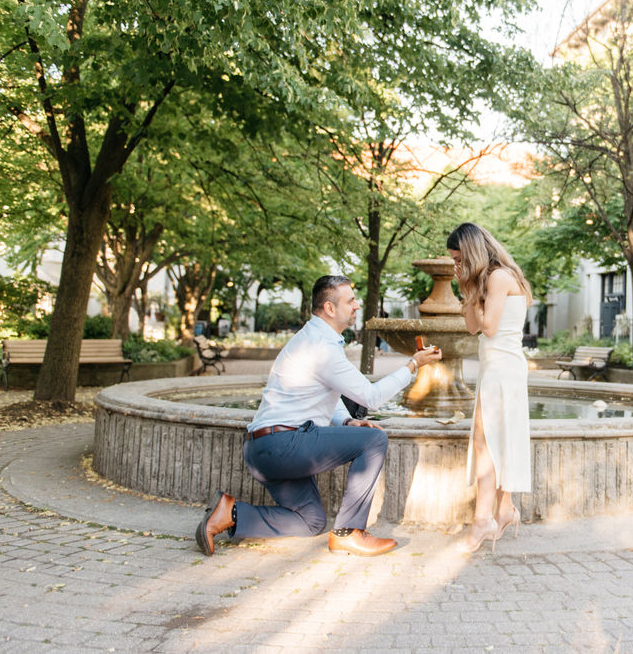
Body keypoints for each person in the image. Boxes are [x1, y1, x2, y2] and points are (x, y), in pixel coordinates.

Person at [196, 275, 442, 557]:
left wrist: (347, 421)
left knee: (310, 520)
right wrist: (413, 365)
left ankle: (230, 513)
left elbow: (327, 394)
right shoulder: (322, 348)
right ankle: (350, 532)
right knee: (373, 439)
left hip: (262, 448)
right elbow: (371, 397)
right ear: (329, 308)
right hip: (284, 444)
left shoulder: (309, 340)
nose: (356, 306)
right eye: (350, 301)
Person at [446, 223, 533, 552]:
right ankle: (503, 510)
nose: (456, 265)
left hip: (504, 370)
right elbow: (472, 328)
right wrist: (467, 290)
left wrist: (473, 291)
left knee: (487, 445)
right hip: (493, 369)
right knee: (491, 443)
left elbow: (491, 328)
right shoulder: (486, 281)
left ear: (471, 253)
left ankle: (485, 518)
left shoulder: (498, 278)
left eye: (458, 259)